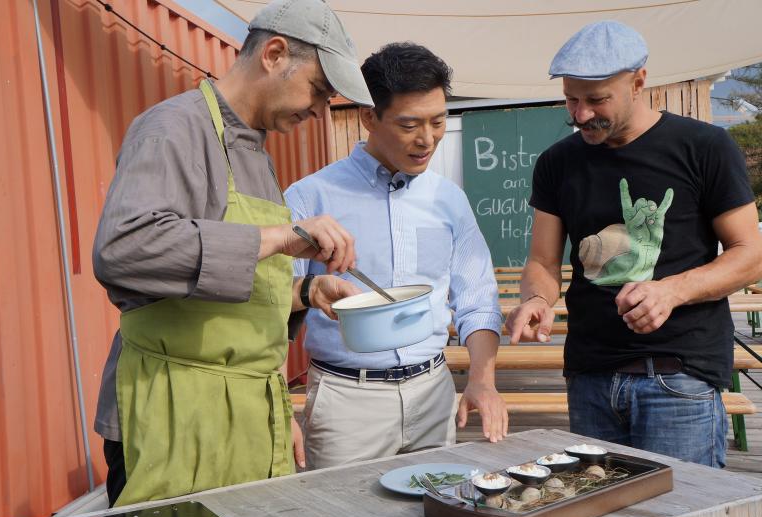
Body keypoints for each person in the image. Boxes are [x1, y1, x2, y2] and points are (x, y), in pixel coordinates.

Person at [91, 0, 373, 506]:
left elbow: (223, 291)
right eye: (318, 89)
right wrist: (283, 237)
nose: (319, 110)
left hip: (247, 409)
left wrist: (307, 290)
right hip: (173, 410)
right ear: (274, 53)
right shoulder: (172, 128)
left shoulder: (257, 154)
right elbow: (123, 249)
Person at [505, 20, 762, 467]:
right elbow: (543, 261)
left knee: (681, 514)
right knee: (598, 514)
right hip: (589, 375)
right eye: (571, 99)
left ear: (639, 81)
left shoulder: (705, 147)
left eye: (597, 100)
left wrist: (671, 290)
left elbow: (751, 255)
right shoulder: (556, 162)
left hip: (678, 377)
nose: (581, 114)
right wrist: (536, 298)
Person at [284, 43, 507, 470]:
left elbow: (477, 299)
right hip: (347, 400)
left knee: (436, 512)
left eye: (438, 122)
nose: (427, 140)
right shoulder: (310, 197)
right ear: (369, 116)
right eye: (409, 124)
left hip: (433, 392)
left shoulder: (449, 199)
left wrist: (482, 380)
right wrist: (278, 408)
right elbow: (274, 305)